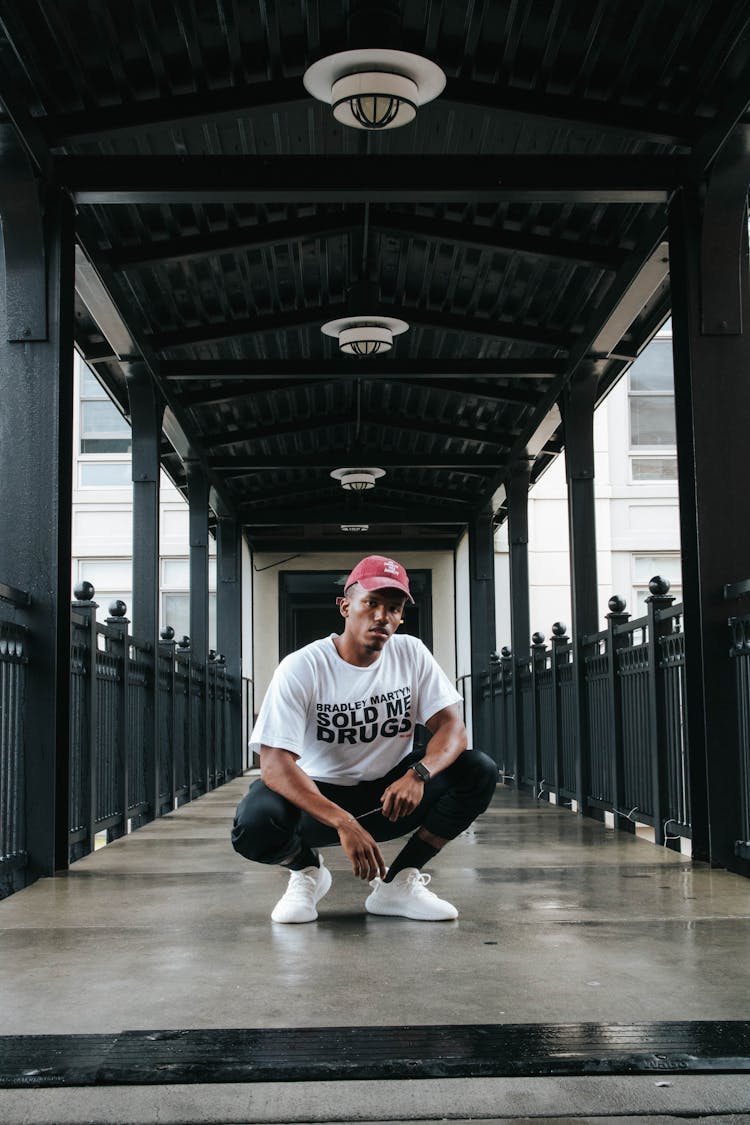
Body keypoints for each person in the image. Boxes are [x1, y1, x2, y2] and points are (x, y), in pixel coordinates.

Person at [231, 555, 497, 924]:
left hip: (391, 798)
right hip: (319, 802)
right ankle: (307, 872)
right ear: (345, 606)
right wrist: (344, 823)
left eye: (394, 608)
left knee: (478, 769)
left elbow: (452, 727)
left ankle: (398, 883)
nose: (381, 616)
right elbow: (274, 766)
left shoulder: (411, 653)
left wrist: (418, 774)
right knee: (253, 824)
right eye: (371, 603)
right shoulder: (302, 666)